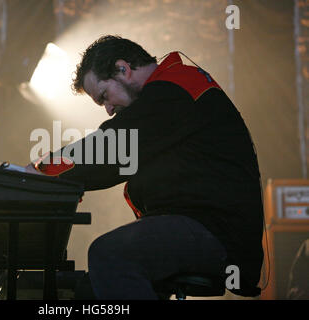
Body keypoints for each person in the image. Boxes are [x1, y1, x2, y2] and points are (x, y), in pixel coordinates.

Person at [26, 35, 264, 299]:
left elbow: (114, 148)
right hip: (204, 227)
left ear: (123, 69)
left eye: (104, 96)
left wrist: (44, 172)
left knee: (110, 253)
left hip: (217, 231)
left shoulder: (176, 88)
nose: (108, 109)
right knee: (91, 291)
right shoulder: (167, 96)